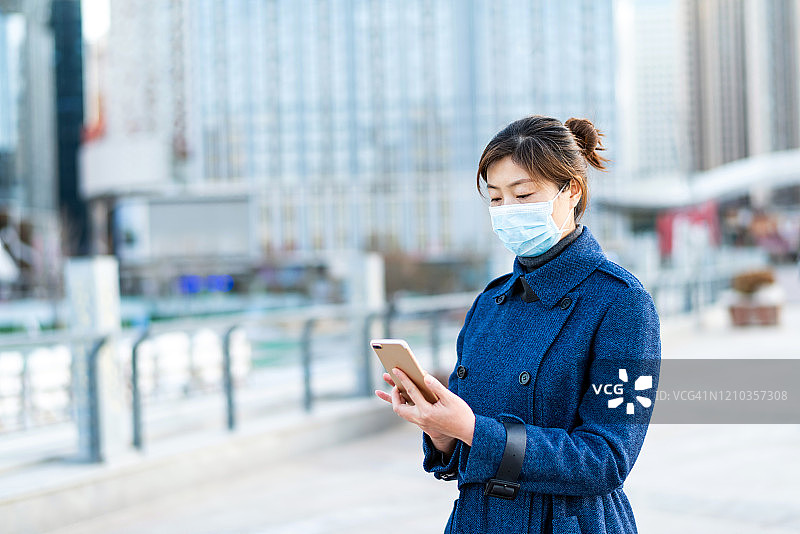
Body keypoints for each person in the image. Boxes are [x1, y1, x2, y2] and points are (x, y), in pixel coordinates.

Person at [375, 115, 661, 534]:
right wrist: (440, 430)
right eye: (495, 198)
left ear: (571, 190)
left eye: (523, 194)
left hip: (568, 524)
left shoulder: (622, 302)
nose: (507, 210)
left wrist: (474, 430)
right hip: (477, 520)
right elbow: (465, 452)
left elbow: (607, 459)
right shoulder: (489, 303)